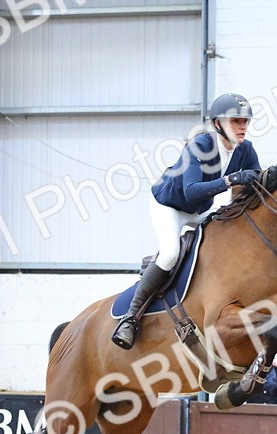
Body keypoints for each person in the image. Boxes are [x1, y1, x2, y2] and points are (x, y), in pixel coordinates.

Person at [111, 93, 262, 350]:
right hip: (169, 206)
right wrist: (231, 180)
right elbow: (191, 190)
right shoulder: (200, 147)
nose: (242, 127)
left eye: (245, 121)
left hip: (201, 209)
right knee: (170, 253)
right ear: (217, 124)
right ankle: (130, 318)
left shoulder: (244, 149)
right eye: (236, 121)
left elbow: (258, 177)